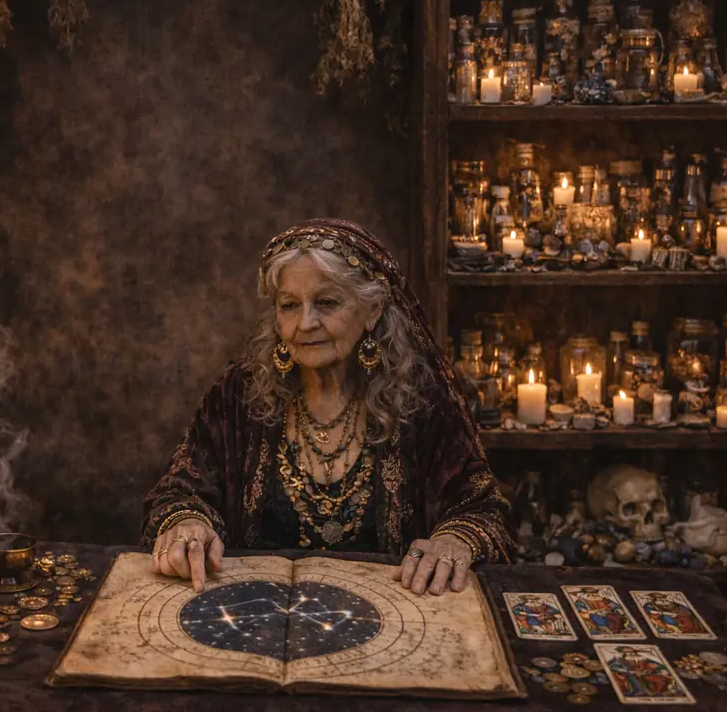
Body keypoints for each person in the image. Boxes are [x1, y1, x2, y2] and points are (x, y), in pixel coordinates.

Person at [141, 219, 511, 595]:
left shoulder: (421, 398)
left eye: (327, 302)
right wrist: (187, 522)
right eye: (289, 305)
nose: (305, 323)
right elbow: (179, 491)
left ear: (373, 309)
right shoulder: (239, 393)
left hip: (393, 615)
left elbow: (480, 509)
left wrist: (454, 539)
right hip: (253, 609)